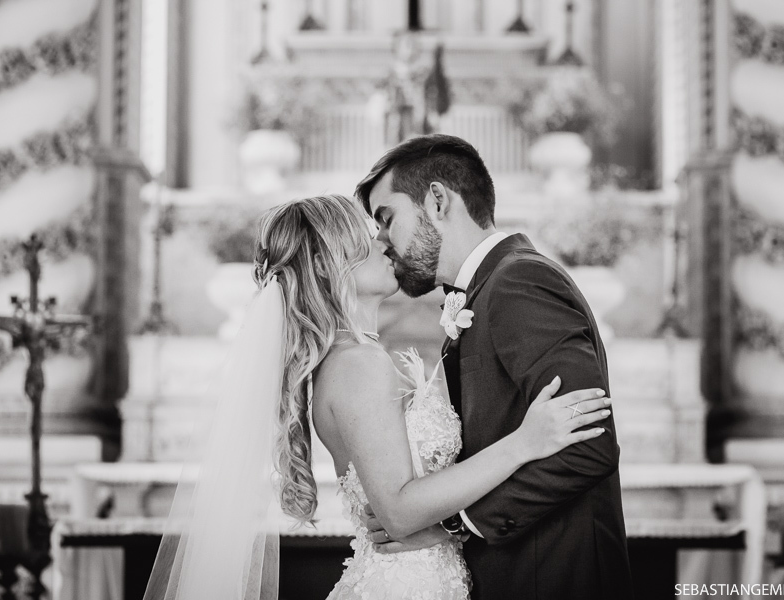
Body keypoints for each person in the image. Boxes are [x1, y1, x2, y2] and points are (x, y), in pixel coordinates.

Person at [142, 193, 612, 600]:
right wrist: (525, 442)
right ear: (330, 264)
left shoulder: (357, 356)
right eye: (365, 239)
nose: (384, 243)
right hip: (406, 584)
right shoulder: (356, 364)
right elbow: (400, 510)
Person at [354, 134, 634, 599]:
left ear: (438, 200)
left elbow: (589, 445)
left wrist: (455, 525)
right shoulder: (485, 290)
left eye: (387, 219)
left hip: (555, 578)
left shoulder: (520, 282)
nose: (382, 243)